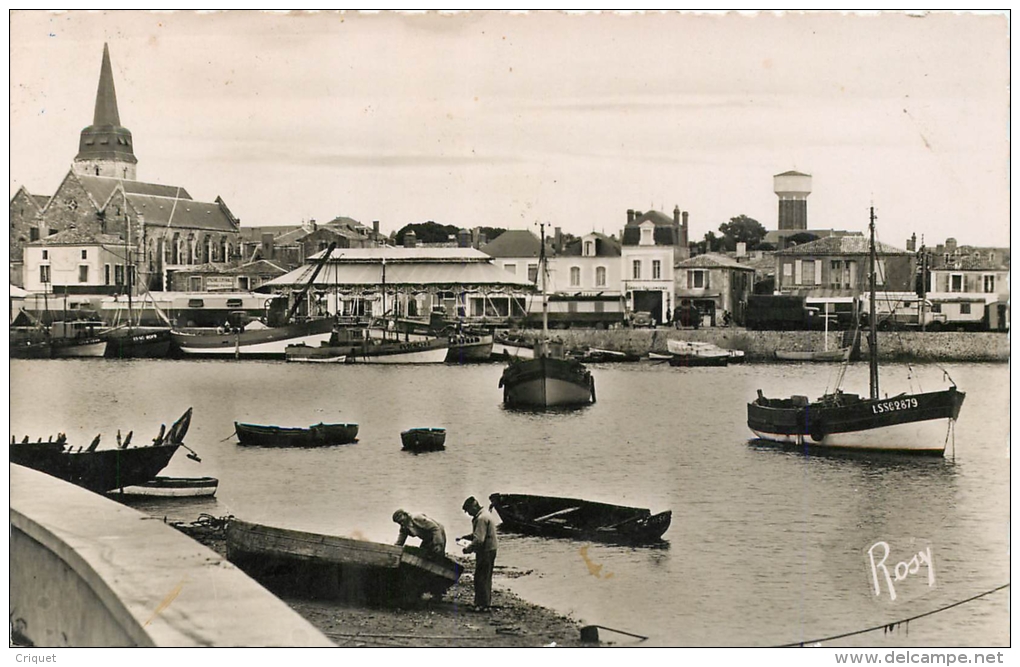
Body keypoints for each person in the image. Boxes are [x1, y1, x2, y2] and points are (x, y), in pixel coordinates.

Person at [459, 496, 499, 610]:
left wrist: (468, 549)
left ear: (473, 507)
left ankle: (482, 605)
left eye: (468, 511)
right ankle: (485, 603)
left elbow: (479, 540)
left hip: (486, 551)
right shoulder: (485, 513)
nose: (468, 513)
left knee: (480, 577)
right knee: (486, 576)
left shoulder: (481, 518)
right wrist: (467, 537)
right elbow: (480, 534)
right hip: (491, 549)